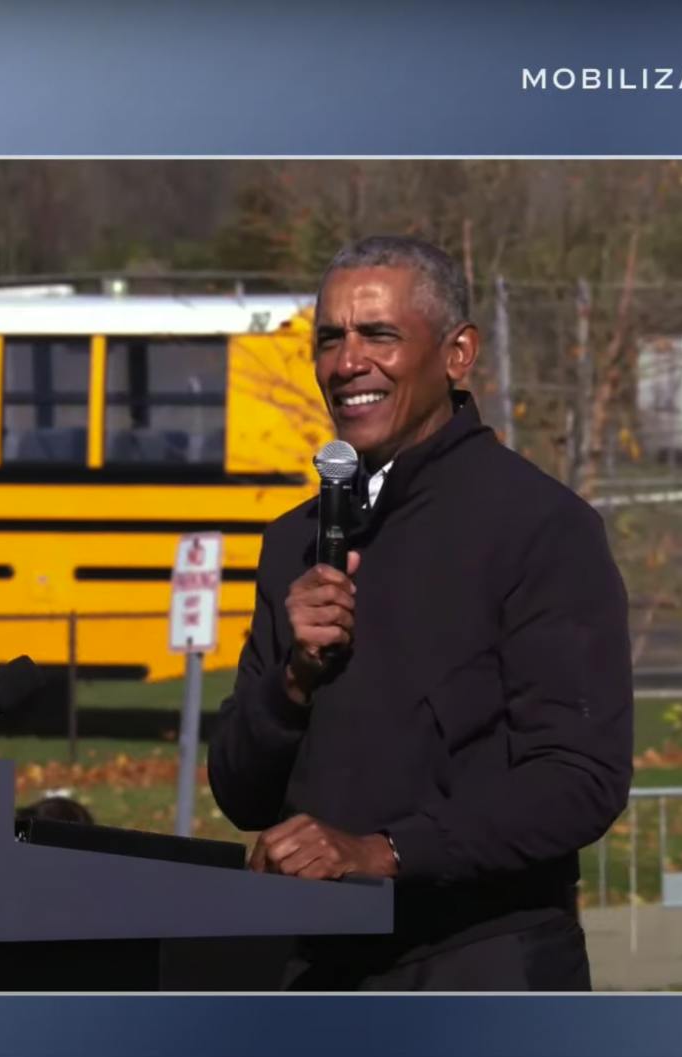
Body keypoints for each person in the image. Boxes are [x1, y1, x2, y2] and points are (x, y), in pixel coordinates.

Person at [208, 235, 633, 990]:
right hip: (318, 970)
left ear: (458, 353)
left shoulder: (538, 526)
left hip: (482, 964)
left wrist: (385, 851)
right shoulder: (292, 546)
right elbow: (241, 792)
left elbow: (578, 778)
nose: (347, 363)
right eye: (330, 338)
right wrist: (292, 682)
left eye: (379, 335)